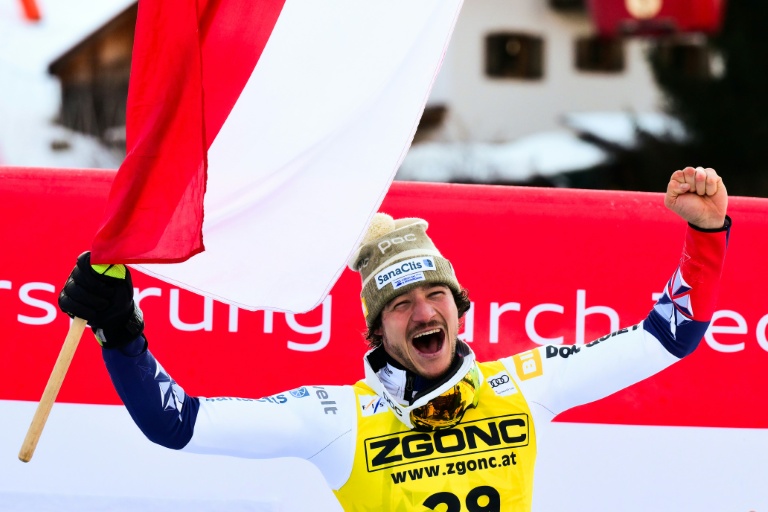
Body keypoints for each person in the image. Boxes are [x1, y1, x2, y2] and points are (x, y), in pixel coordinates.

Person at [58, 166, 730, 511]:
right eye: (401, 305)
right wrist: (120, 327)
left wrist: (704, 235)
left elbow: (668, 338)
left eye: (436, 295)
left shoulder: (523, 385)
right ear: (377, 330)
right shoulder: (337, 419)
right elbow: (177, 425)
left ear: (460, 310)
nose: (422, 312)